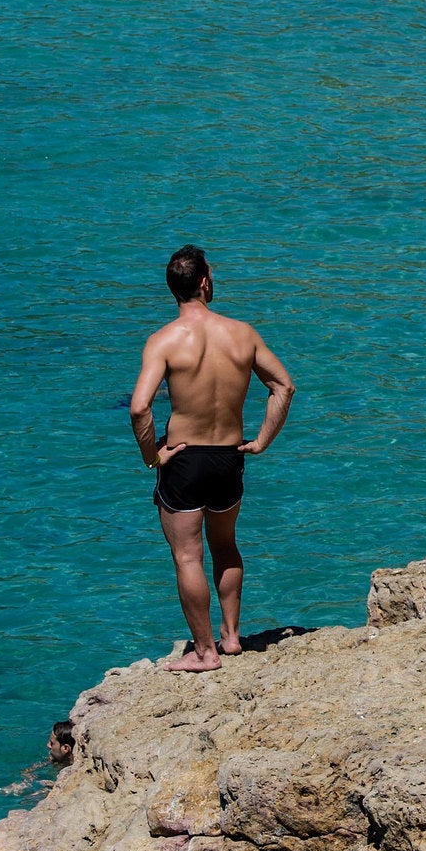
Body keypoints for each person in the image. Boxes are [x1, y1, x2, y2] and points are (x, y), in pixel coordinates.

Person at [129, 245, 296, 673]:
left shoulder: (163, 340)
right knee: (225, 545)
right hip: (229, 457)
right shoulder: (242, 333)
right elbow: (283, 386)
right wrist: (262, 441)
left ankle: (205, 654)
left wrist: (154, 455)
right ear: (205, 281)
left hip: (185, 459)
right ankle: (232, 637)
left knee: (188, 556)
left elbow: (139, 407)